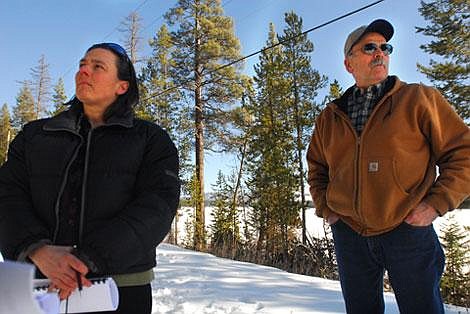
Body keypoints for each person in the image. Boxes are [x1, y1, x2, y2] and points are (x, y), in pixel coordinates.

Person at [0, 42, 180, 314]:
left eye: (98, 66)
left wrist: (89, 259)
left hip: (120, 286)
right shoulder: (34, 136)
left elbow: (157, 208)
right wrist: (36, 249)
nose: (84, 71)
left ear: (122, 86)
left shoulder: (151, 140)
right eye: (82, 65)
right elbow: (7, 195)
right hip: (35, 282)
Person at [307, 19, 470, 314]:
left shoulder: (418, 99)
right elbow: (317, 167)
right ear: (349, 63)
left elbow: (463, 151)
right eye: (369, 47)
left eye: (385, 47)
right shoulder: (330, 117)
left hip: (407, 230)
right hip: (350, 234)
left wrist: (434, 205)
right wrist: (328, 210)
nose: (380, 53)